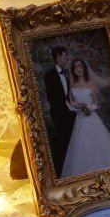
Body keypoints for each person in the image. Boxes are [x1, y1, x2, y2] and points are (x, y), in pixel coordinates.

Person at [59, 58, 110, 179]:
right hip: (80, 120)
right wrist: (77, 107)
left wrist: (88, 108)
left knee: (97, 143)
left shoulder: (90, 84)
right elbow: (71, 103)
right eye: (76, 67)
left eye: (80, 66)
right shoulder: (73, 86)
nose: (79, 69)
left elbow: (96, 104)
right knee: (81, 146)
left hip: (91, 118)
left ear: (84, 68)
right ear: (73, 70)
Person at [42, 46, 76, 178]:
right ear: (57, 58)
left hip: (71, 113)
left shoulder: (68, 72)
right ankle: (63, 172)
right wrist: (63, 106)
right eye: (64, 56)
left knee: (73, 140)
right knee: (63, 141)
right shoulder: (50, 74)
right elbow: (52, 97)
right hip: (59, 114)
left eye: (66, 55)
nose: (66, 58)